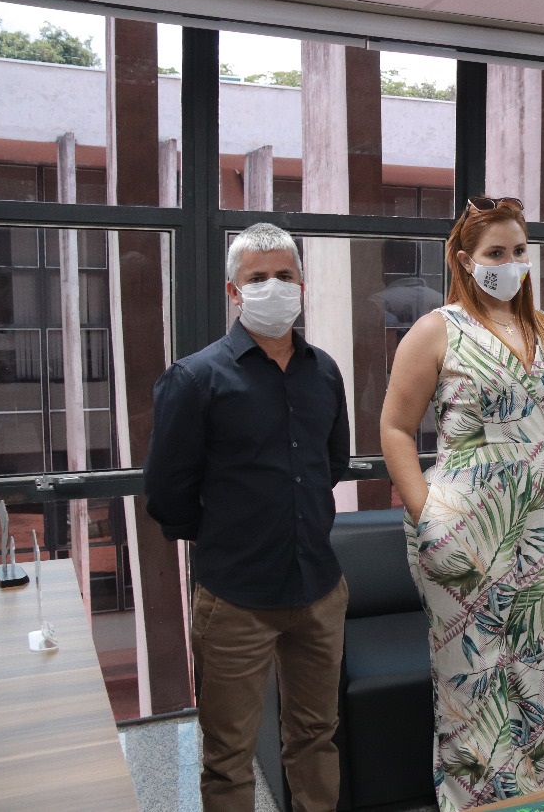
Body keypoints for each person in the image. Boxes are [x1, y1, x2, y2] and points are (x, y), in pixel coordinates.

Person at [379, 196, 544, 812]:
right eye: (495, 252)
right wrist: (428, 517)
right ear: (465, 260)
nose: (509, 262)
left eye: (519, 250)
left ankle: (526, 800)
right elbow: (395, 428)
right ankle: (468, 805)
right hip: (466, 528)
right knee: (469, 680)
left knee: (534, 675)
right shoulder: (436, 329)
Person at [144, 222, 351, 811]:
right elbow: (167, 492)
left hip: (318, 589)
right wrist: (229, 535)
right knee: (228, 755)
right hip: (235, 598)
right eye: (258, 278)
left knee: (316, 736)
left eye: (285, 275)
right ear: (234, 292)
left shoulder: (324, 371)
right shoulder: (195, 378)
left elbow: (331, 464)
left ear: (302, 286)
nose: (273, 287)